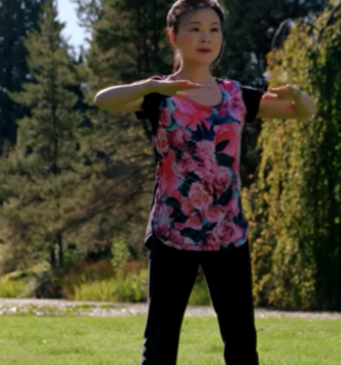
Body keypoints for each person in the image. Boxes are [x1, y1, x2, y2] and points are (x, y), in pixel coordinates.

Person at [94, 1, 316, 364]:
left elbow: (303, 113)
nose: (205, 37)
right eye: (195, 28)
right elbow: (103, 100)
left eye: (214, 29)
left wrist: (298, 96)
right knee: (161, 342)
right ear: (174, 37)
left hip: (228, 233)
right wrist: (152, 84)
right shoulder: (159, 96)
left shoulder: (237, 96)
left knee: (242, 342)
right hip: (172, 232)